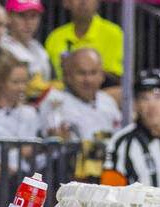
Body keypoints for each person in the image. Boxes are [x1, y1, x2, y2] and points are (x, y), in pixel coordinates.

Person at [38, 47, 120, 181]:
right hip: (66, 178)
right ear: (68, 76)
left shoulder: (108, 102)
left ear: (102, 75)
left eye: (93, 73)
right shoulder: (55, 101)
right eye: (81, 73)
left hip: (105, 176)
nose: (88, 79)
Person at [0, 55, 37, 181]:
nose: (22, 88)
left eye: (24, 82)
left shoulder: (29, 113)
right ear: (0, 83)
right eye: (15, 82)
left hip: (23, 176)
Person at [44, 0, 122, 86]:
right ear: (66, 2)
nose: (83, 1)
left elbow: (116, 77)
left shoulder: (113, 34)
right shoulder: (54, 38)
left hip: (100, 94)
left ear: (98, 2)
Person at [0, 0, 51, 102]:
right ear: (8, 17)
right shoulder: (1, 48)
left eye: (33, 16)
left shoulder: (39, 50)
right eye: (21, 15)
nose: (28, 22)